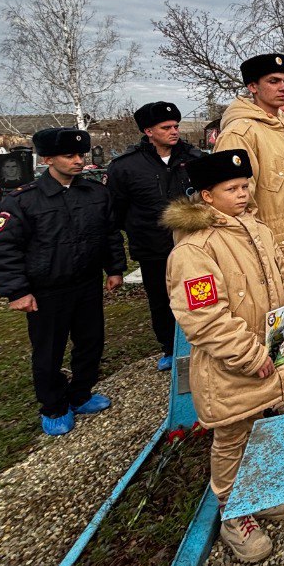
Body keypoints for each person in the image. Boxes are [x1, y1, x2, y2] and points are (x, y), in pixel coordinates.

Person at [161, 149, 284, 564]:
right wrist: (248, 354)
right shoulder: (195, 250)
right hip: (235, 366)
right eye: (232, 189)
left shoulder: (257, 230)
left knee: (259, 426)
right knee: (232, 436)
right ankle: (232, 510)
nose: (243, 194)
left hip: (270, 352)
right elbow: (204, 318)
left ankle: (256, 491)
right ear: (206, 195)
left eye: (246, 186)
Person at [0, 127, 125, 436]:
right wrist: (17, 291)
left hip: (86, 284)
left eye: (81, 155)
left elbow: (109, 234)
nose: (78, 161)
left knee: (91, 343)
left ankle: (81, 394)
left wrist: (114, 269)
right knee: (49, 351)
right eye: (70, 155)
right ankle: (53, 405)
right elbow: (3, 247)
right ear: (48, 158)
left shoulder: (94, 193)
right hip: (47, 290)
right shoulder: (23, 201)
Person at [216, 53, 284, 356]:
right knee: (273, 322)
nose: (283, 88)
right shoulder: (240, 132)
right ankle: (275, 385)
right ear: (253, 86)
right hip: (268, 248)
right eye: (273, 81)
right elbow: (232, 201)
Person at [106, 101, 204, 371]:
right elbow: (117, 211)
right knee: (161, 300)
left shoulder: (193, 159)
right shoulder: (125, 167)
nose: (174, 131)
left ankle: (201, 343)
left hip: (193, 244)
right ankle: (170, 349)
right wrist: (140, 231)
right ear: (148, 131)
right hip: (153, 248)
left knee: (199, 296)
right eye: (166, 127)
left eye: (176, 126)